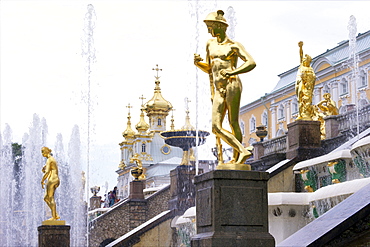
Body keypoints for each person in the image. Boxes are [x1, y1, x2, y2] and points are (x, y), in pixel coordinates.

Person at [194, 10, 255, 168]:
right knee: (216, 127)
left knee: (233, 122)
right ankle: (242, 150)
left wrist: (233, 71)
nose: (209, 30)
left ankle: (237, 159)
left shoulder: (233, 46)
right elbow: (210, 68)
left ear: (219, 26)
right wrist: (197, 63)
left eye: (210, 27)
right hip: (218, 89)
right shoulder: (210, 44)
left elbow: (251, 62)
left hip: (232, 84)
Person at [295, 41, 316, 120]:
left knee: (308, 99)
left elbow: (314, 77)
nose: (305, 62)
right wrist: (300, 47)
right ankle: (302, 113)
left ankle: (306, 113)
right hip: (301, 84)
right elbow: (301, 55)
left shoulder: (310, 69)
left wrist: (310, 80)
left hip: (308, 86)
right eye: (304, 61)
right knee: (301, 97)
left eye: (307, 61)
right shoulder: (301, 66)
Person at [41, 147, 60, 221]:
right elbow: (52, 170)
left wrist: (42, 180)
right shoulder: (52, 159)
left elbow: (47, 172)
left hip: (52, 180)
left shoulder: (49, 159)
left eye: (43, 152)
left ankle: (54, 217)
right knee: (46, 198)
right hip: (55, 179)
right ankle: (55, 214)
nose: (42, 154)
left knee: (51, 197)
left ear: (46, 152)